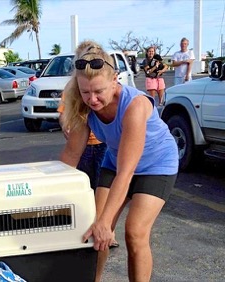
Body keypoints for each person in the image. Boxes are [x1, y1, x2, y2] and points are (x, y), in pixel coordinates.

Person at [60, 40, 178, 282]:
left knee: (134, 232)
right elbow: (71, 157)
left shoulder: (134, 105)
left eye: (98, 91)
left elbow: (127, 171)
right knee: (95, 232)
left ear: (115, 80)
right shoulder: (83, 108)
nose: (92, 99)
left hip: (156, 165)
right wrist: (52, 195)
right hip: (115, 162)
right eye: (85, 92)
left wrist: (106, 222)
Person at [58, 91, 119, 249]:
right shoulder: (72, 91)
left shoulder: (106, 92)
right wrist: (66, 126)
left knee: (103, 188)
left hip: (102, 144)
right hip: (82, 146)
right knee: (85, 188)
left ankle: (109, 232)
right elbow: (63, 113)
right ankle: (85, 229)